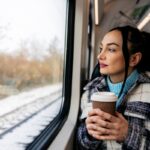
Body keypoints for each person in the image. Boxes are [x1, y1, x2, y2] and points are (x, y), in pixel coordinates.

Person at [77, 25, 150, 150]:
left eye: (111, 49)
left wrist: (128, 134)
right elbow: (82, 143)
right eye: (101, 48)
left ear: (133, 59)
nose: (99, 56)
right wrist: (89, 134)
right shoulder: (90, 91)